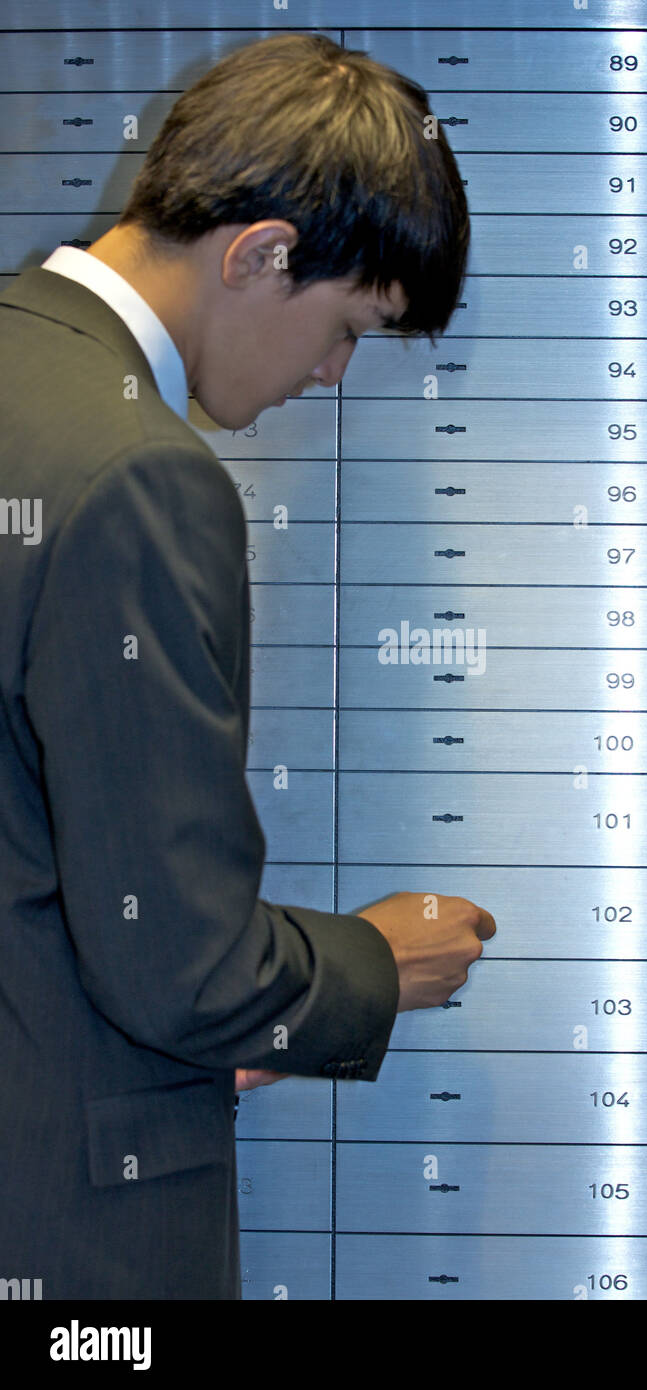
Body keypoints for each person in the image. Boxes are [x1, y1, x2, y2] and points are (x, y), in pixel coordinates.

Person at [0, 32, 495, 1300]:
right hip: (66, 1227)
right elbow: (183, 968)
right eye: (348, 327)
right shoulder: (142, 477)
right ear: (260, 253)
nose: (330, 375)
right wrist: (377, 964)